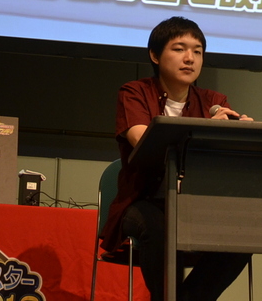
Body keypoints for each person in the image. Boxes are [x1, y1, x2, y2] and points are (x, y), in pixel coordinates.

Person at [100, 17, 252, 301]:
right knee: (160, 229)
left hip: (198, 205)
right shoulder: (134, 92)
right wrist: (205, 131)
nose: (190, 58)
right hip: (143, 201)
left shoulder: (214, 101)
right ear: (155, 55)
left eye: (197, 51)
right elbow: (144, 143)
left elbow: (223, 161)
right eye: (179, 49)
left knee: (243, 234)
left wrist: (238, 134)